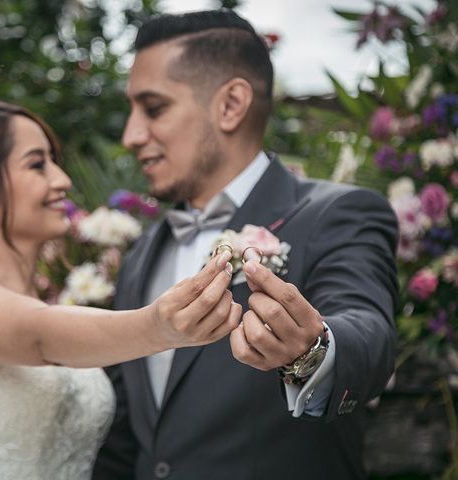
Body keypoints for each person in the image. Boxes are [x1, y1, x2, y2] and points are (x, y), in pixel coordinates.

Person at [93, 9, 398, 480]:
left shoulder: (340, 213)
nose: (131, 136)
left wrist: (311, 350)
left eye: (153, 108)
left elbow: (368, 330)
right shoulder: (139, 257)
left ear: (231, 104)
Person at [0, 97, 242, 479]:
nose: (62, 180)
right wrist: (156, 327)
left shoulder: (43, 300)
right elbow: (39, 335)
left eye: (54, 161)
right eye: (36, 164)